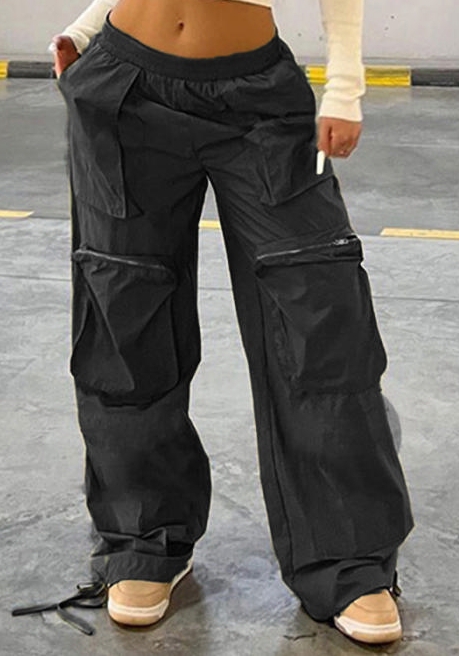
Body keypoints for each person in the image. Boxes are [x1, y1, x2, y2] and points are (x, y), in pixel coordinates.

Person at [50, 0, 414, 644]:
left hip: (257, 96)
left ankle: (348, 560)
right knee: (124, 314)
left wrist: (345, 84)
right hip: (125, 86)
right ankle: (144, 540)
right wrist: (85, 27)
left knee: (321, 317)